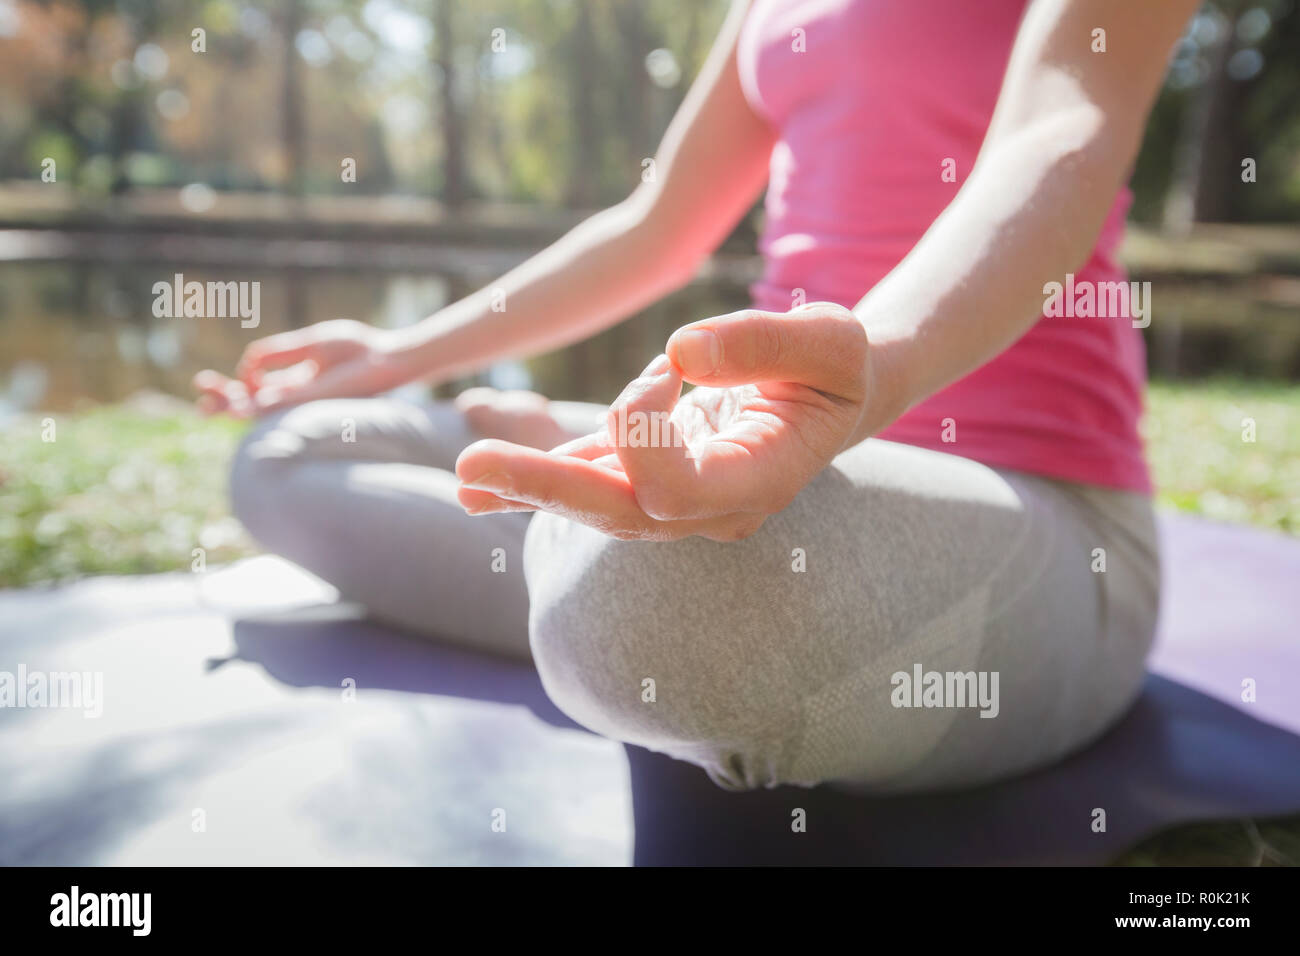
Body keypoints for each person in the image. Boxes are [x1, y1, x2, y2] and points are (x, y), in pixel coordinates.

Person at [196, 0, 1200, 792]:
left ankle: (587, 514)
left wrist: (874, 367)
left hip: (1036, 515)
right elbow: (657, 224)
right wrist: (396, 354)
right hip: (751, 448)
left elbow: (1056, 131)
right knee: (288, 455)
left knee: (659, 601)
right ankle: (596, 509)